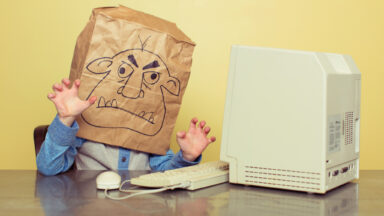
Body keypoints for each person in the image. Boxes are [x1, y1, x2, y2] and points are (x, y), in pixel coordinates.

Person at [36, 78, 216, 175]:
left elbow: (165, 174)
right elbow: (48, 167)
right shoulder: (85, 126)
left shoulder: (151, 128)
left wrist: (187, 157)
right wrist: (66, 119)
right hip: (89, 205)